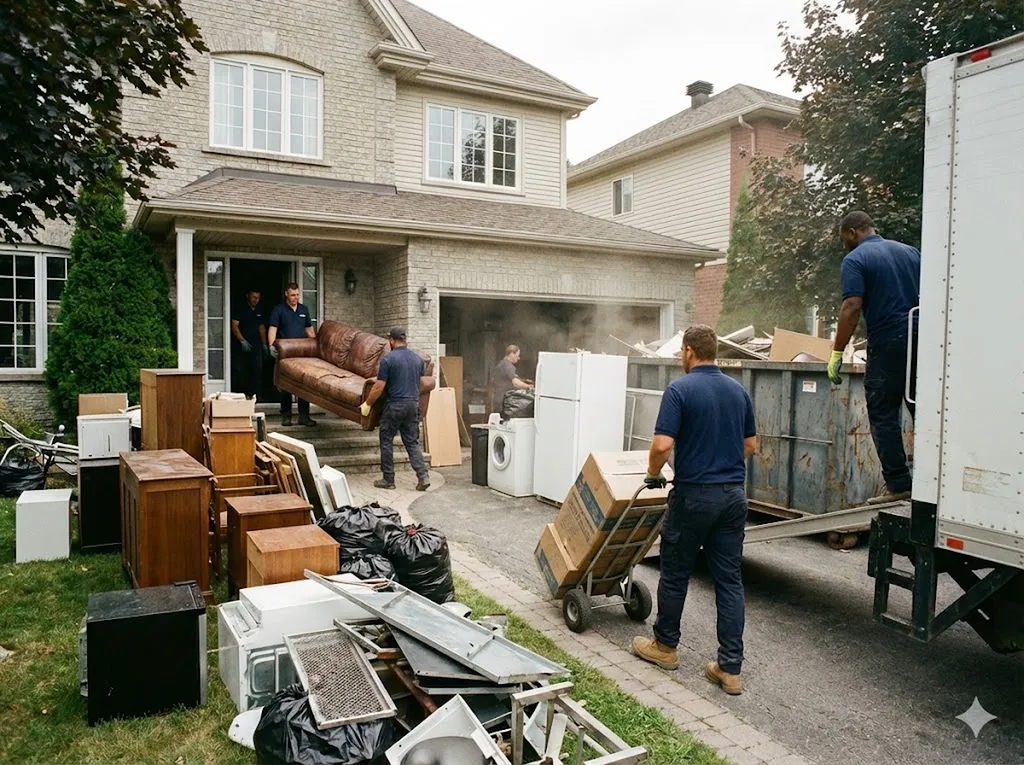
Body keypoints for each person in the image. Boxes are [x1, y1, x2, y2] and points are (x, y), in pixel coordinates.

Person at [631, 324, 756, 697]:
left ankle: (665, 647)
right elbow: (750, 445)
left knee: (675, 573)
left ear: (688, 351)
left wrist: (654, 474)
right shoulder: (738, 391)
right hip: (733, 497)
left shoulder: (680, 390)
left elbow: (661, 445)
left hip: (694, 496)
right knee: (729, 580)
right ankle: (730, 669)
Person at [828, 211, 920, 504]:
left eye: (844, 238)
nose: (844, 245)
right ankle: (933, 480)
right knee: (924, 409)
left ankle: (898, 483)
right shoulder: (911, 252)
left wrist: (837, 351)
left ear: (853, 232)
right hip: (925, 336)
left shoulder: (855, 259)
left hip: (890, 339)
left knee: (882, 410)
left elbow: (852, 306)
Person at [360, 327, 434, 491]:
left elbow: (379, 386)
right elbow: (419, 382)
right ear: (405, 340)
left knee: (386, 441)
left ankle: (388, 479)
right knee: (412, 442)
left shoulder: (388, 360)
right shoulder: (418, 360)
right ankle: (423, 476)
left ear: (391, 341)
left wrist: (368, 403)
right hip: (413, 405)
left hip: (395, 405)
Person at [268, 282, 317, 427]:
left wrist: (315, 346)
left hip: (301, 353)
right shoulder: (278, 310)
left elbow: (309, 330)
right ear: (286, 294)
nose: (295, 298)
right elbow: (272, 330)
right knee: (286, 384)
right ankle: (286, 416)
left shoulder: (304, 309)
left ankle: (304, 416)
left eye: (297, 295)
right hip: (285, 352)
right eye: (292, 295)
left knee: (304, 383)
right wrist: (271, 346)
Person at [230, 288, 268, 400]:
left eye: (258, 298)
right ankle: (242, 395)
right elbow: (234, 325)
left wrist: (264, 345)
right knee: (242, 370)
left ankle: (254, 395)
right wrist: (242, 340)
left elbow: (261, 328)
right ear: (248, 296)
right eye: (254, 297)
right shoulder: (240, 308)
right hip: (241, 345)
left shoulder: (259, 310)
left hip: (256, 344)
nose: (256, 300)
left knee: (257, 369)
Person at [490, 344, 531, 413]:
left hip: (497, 400)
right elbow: (515, 383)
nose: (518, 358)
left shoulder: (501, 364)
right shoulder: (508, 366)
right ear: (512, 353)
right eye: (517, 355)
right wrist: (529, 387)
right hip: (504, 402)